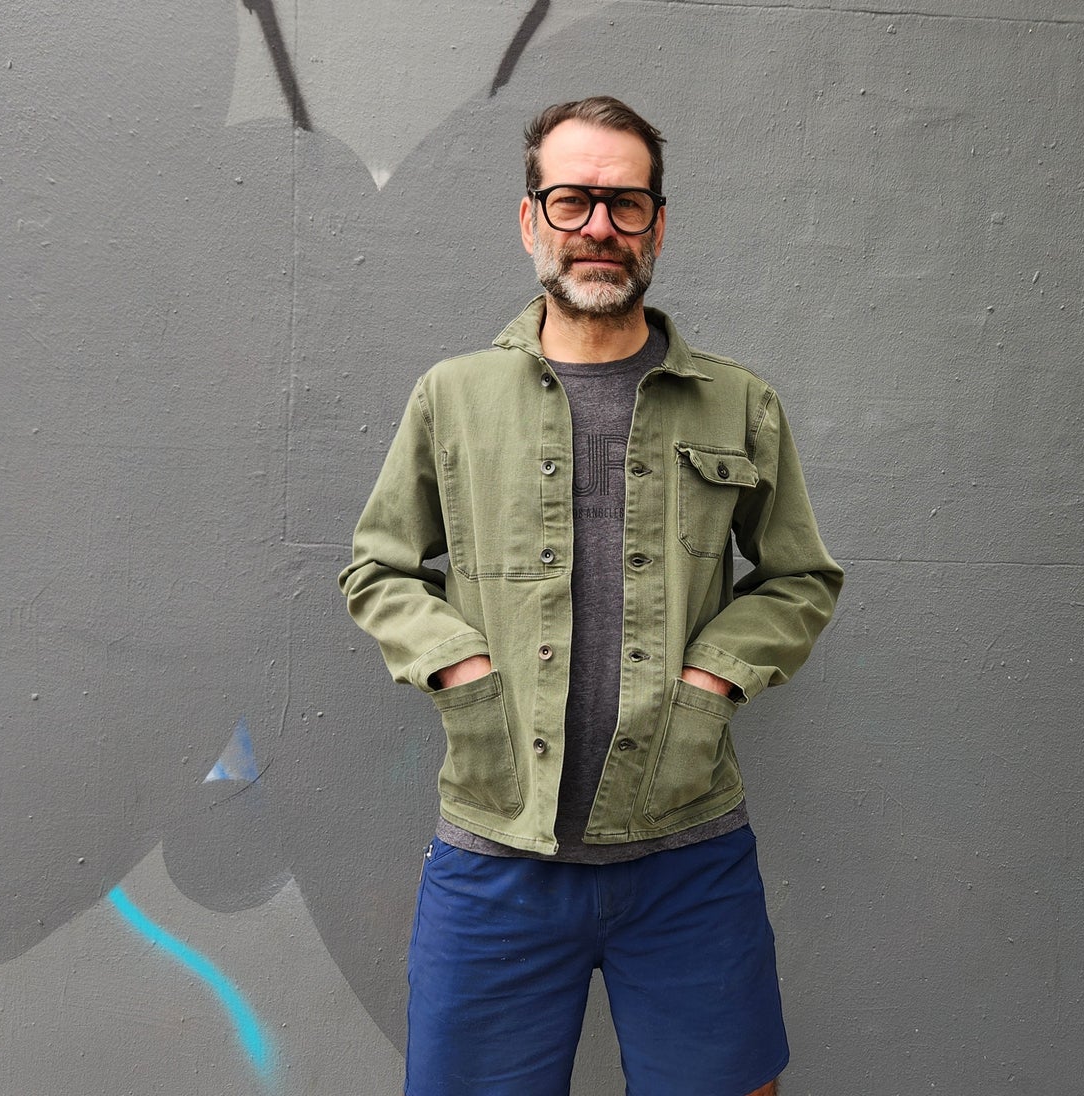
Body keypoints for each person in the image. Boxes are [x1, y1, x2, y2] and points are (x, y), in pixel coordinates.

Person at [339, 95, 843, 1096]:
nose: (599, 226)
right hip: (496, 853)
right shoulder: (453, 396)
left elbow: (799, 579)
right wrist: (463, 669)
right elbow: (378, 569)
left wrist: (712, 680)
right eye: (571, 201)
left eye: (625, 203)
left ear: (658, 224)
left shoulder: (739, 403)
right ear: (531, 218)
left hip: (689, 856)